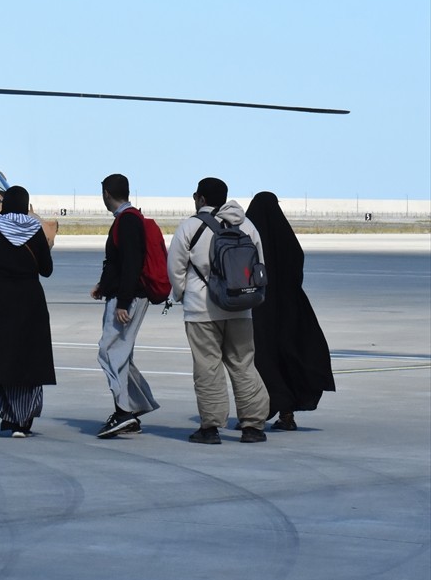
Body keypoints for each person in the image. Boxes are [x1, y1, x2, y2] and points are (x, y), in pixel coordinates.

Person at [167, 177, 270, 444]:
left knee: (208, 367)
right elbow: (258, 264)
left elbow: (175, 268)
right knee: (244, 364)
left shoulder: (190, 226)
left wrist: (181, 294)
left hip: (202, 310)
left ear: (200, 198)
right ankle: (253, 426)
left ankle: (211, 428)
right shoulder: (246, 225)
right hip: (240, 308)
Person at [0, 185, 55, 438]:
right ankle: (20, 422)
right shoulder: (35, 231)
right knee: (26, 358)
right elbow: (46, 270)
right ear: (26, 205)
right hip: (29, 300)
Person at [246, 191, 336, 430]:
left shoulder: (250, 236)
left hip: (260, 309)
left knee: (260, 360)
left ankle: (257, 414)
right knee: (288, 356)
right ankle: (286, 414)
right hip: (289, 307)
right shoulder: (287, 239)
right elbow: (297, 264)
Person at [90, 174, 160, 438]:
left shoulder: (127, 221)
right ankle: (134, 406)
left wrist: (122, 301)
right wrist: (104, 286)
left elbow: (131, 263)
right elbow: (120, 264)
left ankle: (124, 412)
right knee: (120, 354)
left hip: (128, 299)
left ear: (107, 193)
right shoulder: (129, 219)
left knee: (109, 352)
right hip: (126, 295)